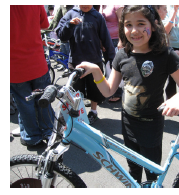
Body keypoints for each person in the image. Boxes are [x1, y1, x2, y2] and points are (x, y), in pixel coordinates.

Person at [76, 5, 179, 184]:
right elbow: (108, 91)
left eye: (140, 23)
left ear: (153, 25)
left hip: (151, 125)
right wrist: (96, 71)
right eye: (128, 24)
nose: (134, 30)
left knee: (152, 171)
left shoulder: (165, 55)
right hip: (128, 123)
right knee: (132, 169)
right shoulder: (122, 55)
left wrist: (178, 98)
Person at [56, 5, 115, 124]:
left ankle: (93, 112)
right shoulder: (70, 14)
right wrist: (70, 25)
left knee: (95, 90)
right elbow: (61, 35)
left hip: (94, 61)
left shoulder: (97, 16)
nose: (86, 5)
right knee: (75, 91)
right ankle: (77, 113)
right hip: (75, 61)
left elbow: (106, 38)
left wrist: (111, 59)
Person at [10, 5, 54, 147]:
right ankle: (49, 132)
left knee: (24, 105)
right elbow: (45, 24)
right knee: (44, 101)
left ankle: (32, 137)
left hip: (14, 67)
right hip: (37, 62)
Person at [100, 5, 124, 102]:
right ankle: (112, 91)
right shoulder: (101, 5)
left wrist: (121, 40)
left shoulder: (116, 4)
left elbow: (122, 22)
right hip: (106, 41)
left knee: (116, 67)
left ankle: (118, 93)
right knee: (109, 67)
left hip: (115, 40)